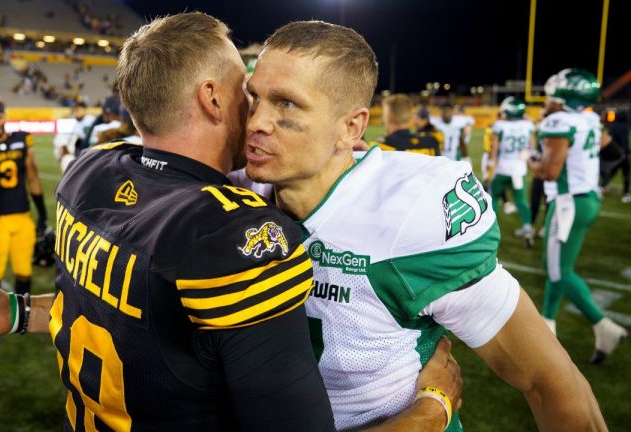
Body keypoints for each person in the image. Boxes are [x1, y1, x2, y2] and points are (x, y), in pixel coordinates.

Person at [0, 13, 461, 432]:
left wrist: (19, 311)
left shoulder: (90, 172)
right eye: (246, 90)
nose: (258, 111)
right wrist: (432, 406)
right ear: (213, 98)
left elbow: (130, 308)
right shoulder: (233, 236)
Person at [243, 20, 605, 431]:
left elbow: (549, 382)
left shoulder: (413, 212)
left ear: (350, 127)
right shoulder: (229, 190)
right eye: (252, 97)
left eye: (287, 104)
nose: (256, 121)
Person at [528, 68, 628, 363]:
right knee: (558, 265)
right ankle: (548, 323)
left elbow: (548, 171)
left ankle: (603, 325)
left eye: (550, 95)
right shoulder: (590, 120)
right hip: (587, 199)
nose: (546, 100)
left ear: (562, 99)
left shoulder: (560, 122)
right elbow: (613, 152)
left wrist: (530, 159)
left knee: (558, 271)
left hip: (568, 203)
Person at [0, 102, 47, 295]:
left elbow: (32, 176)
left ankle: (22, 317)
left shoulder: (21, 139)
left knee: (24, 270)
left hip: (22, 215)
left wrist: (41, 213)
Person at [488, 97, 536, 246]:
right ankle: (528, 228)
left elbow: (494, 148)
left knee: (493, 197)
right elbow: (531, 147)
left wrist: (490, 164)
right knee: (521, 201)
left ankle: (490, 229)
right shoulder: (528, 125)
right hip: (519, 169)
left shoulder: (500, 125)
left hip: (503, 168)